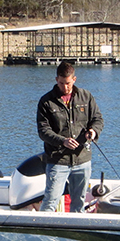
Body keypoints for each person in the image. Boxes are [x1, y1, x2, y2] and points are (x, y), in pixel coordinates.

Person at [36, 61, 104, 213]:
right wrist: (63, 141)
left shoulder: (86, 97)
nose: (64, 87)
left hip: (82, 160)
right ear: (56, 80)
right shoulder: (46, 101)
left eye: (67, 83)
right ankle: (43, 231)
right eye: (61, 83)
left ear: (74, 79)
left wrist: (93, 131)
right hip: (58, 160)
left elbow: (98, 119)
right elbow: (43, 131)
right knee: (50, 200)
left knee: (79, 202)